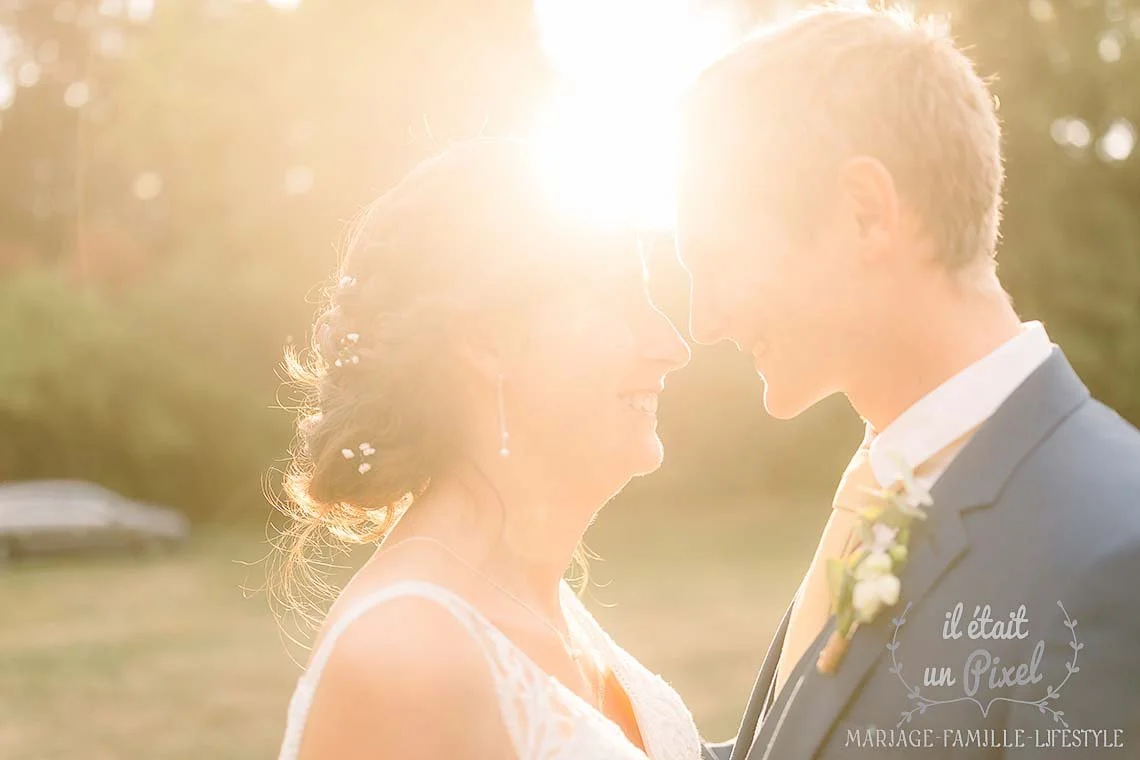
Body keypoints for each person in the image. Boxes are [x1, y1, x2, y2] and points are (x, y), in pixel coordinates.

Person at [677, 6, 1140, 759]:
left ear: (866, 214)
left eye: (719, 259)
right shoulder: (890, 483)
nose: (704, 321)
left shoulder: (1115, 556)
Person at [272, 138, 698, 760]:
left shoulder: (545, 606)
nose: (672, 347)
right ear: (488, 340)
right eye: (622, 300)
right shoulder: (406, 657)